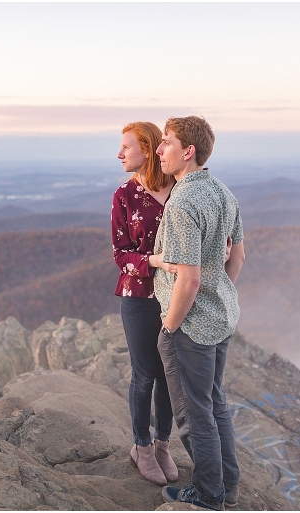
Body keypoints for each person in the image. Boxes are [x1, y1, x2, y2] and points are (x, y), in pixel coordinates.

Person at [153, 116, 245, 511]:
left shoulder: (183, 202)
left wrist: (170, 326)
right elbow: (237, 256)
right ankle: (228, 484)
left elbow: (187, 279)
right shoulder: (223, 193)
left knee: (194, 413)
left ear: (188, 152)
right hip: (221, 317)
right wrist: (218, 292)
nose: (159, 150)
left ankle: (208, 494)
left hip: (190, 326)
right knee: (214, 402)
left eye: (167, 142)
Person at [111, 121, 179, 486]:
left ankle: (163, 445)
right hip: (138, 297)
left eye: (126, 147)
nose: (119, 154)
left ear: (149, 149)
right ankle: (141, 447)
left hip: (178, 296)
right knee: (145, 375)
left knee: (171, 373)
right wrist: (154, 261)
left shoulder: (180, 191)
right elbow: (120, 255)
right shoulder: (124, 194)